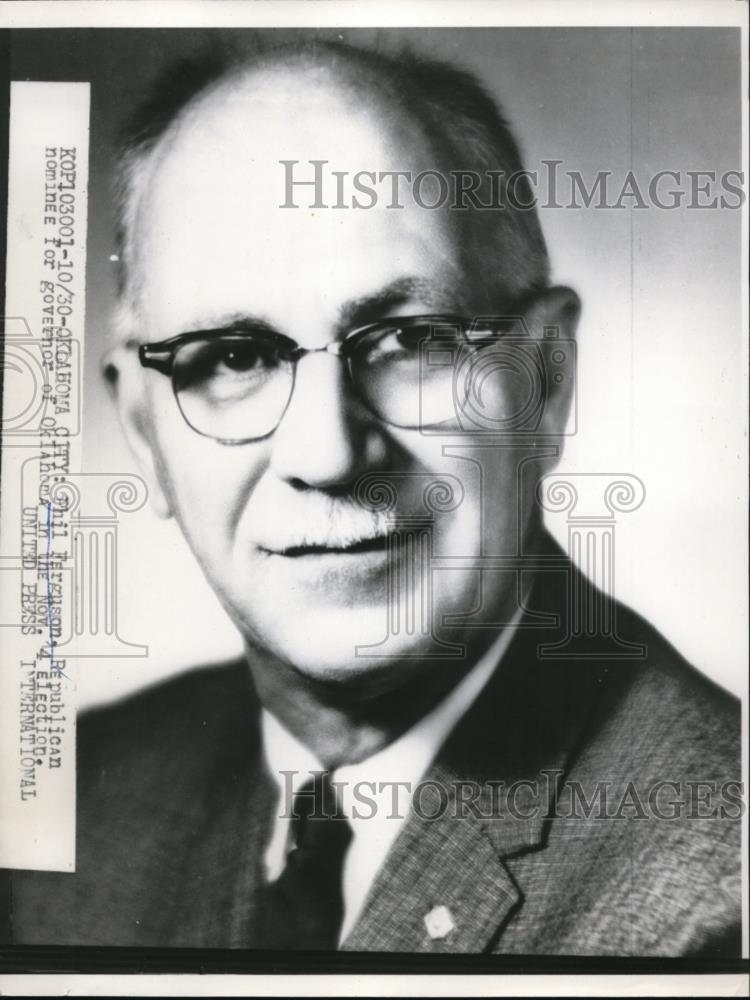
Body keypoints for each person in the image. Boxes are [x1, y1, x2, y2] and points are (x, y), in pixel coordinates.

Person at [5, 37, 742, 956]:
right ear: (146, 434)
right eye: (235, 356)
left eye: (410, 340)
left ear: (545, 381)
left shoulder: (714, 901)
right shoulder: (65, 825)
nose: (327, 453)